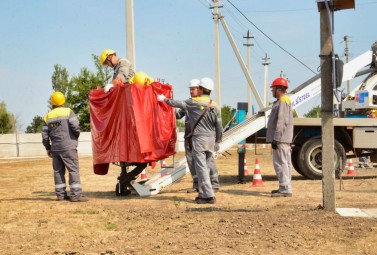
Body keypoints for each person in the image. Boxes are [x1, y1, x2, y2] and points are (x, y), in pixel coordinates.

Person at [157, 77, 223, 204]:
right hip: (211, 139)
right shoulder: (215, 105)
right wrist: (218, 141)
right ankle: (212, 187)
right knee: (209, 163)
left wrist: (163, 99)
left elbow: (176, 103)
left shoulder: (194, 102)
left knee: (201, 167)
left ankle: (207, 195)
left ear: (201, 88)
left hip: (199, 139)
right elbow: (219, 126)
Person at [175, 79, 220, 194]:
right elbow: (178, 115)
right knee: (192, 161)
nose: (191, 91)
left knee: (206, 162)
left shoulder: (199, 103)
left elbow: (217, 124)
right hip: (189, 137)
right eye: (190, 89)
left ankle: (213, 184)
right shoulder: (188, 103)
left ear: (200, 90)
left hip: (199, 137)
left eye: (193, 89)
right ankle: (197, 185)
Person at [42, 91, 88, 202]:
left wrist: (48, 148)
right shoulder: (68, 112)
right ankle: (76, 195)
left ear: (52, 102)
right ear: (63, 100)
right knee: (73, 170)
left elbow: (44, 136)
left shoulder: (48, 116)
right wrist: (75, 137)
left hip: (55, 148)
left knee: (58, 171)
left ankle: (61, 196)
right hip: (68, 147)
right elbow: (76, 126)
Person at [266, 77, 294, 197]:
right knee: (285, 163)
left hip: (281, 139)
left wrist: (276, 138)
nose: (272, 91)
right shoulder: (283, 100)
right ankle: (285, 186)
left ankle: (285, 189)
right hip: (283, 138)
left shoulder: (283, 101)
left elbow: (282, 121)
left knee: (280, 163)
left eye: (273, 89)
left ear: (278, 89)